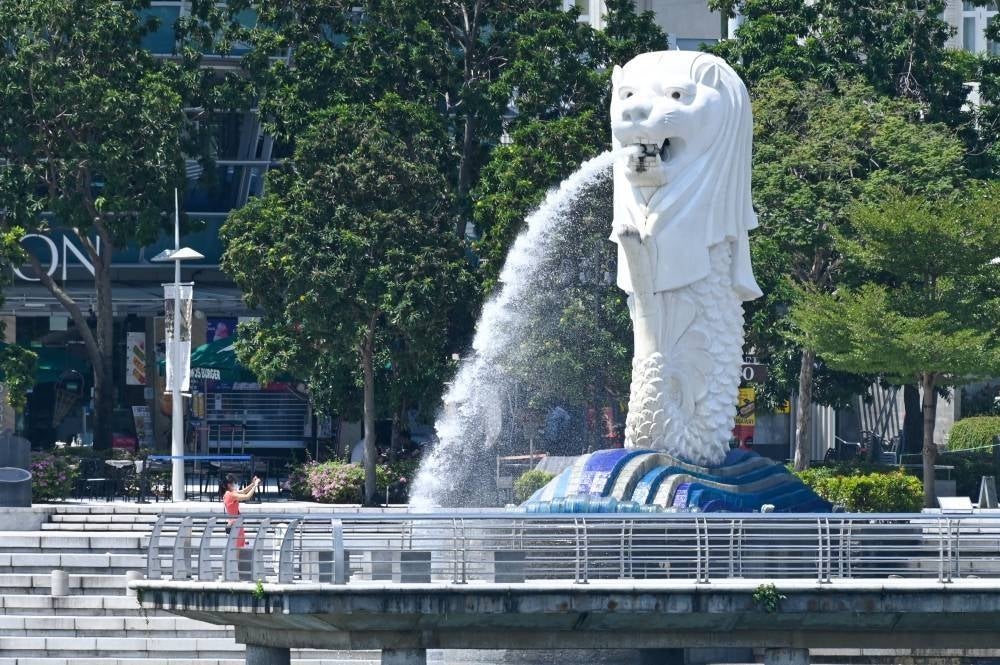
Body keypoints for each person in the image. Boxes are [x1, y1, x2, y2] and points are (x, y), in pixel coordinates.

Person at [220, 473, 260, 548]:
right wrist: (255, 485)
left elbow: (244, 491)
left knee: (239, 546)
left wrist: (253, 483)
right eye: (234, 483)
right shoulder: (231, 495)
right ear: (229, 485)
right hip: (235, 523)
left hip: (235, 522)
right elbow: (247, 496)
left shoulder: (228, 493)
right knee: (238, 547)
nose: (235, 484)